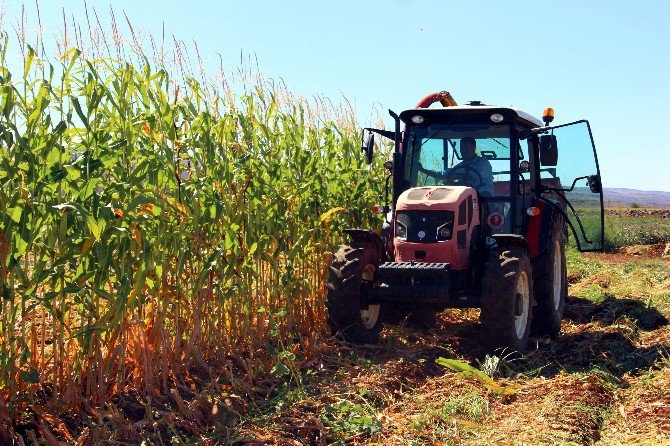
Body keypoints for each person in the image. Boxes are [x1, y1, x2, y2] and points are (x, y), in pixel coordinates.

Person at [418, 137, 494, 197]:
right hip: (468, 198)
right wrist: (422, 169)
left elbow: (471, 176)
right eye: (461, 148)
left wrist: (452, 179)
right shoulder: (460, 166)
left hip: (484, 198)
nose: (463, 151)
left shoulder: (483, 163)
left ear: (473, 148)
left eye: (466, 147)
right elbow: (441, 174)